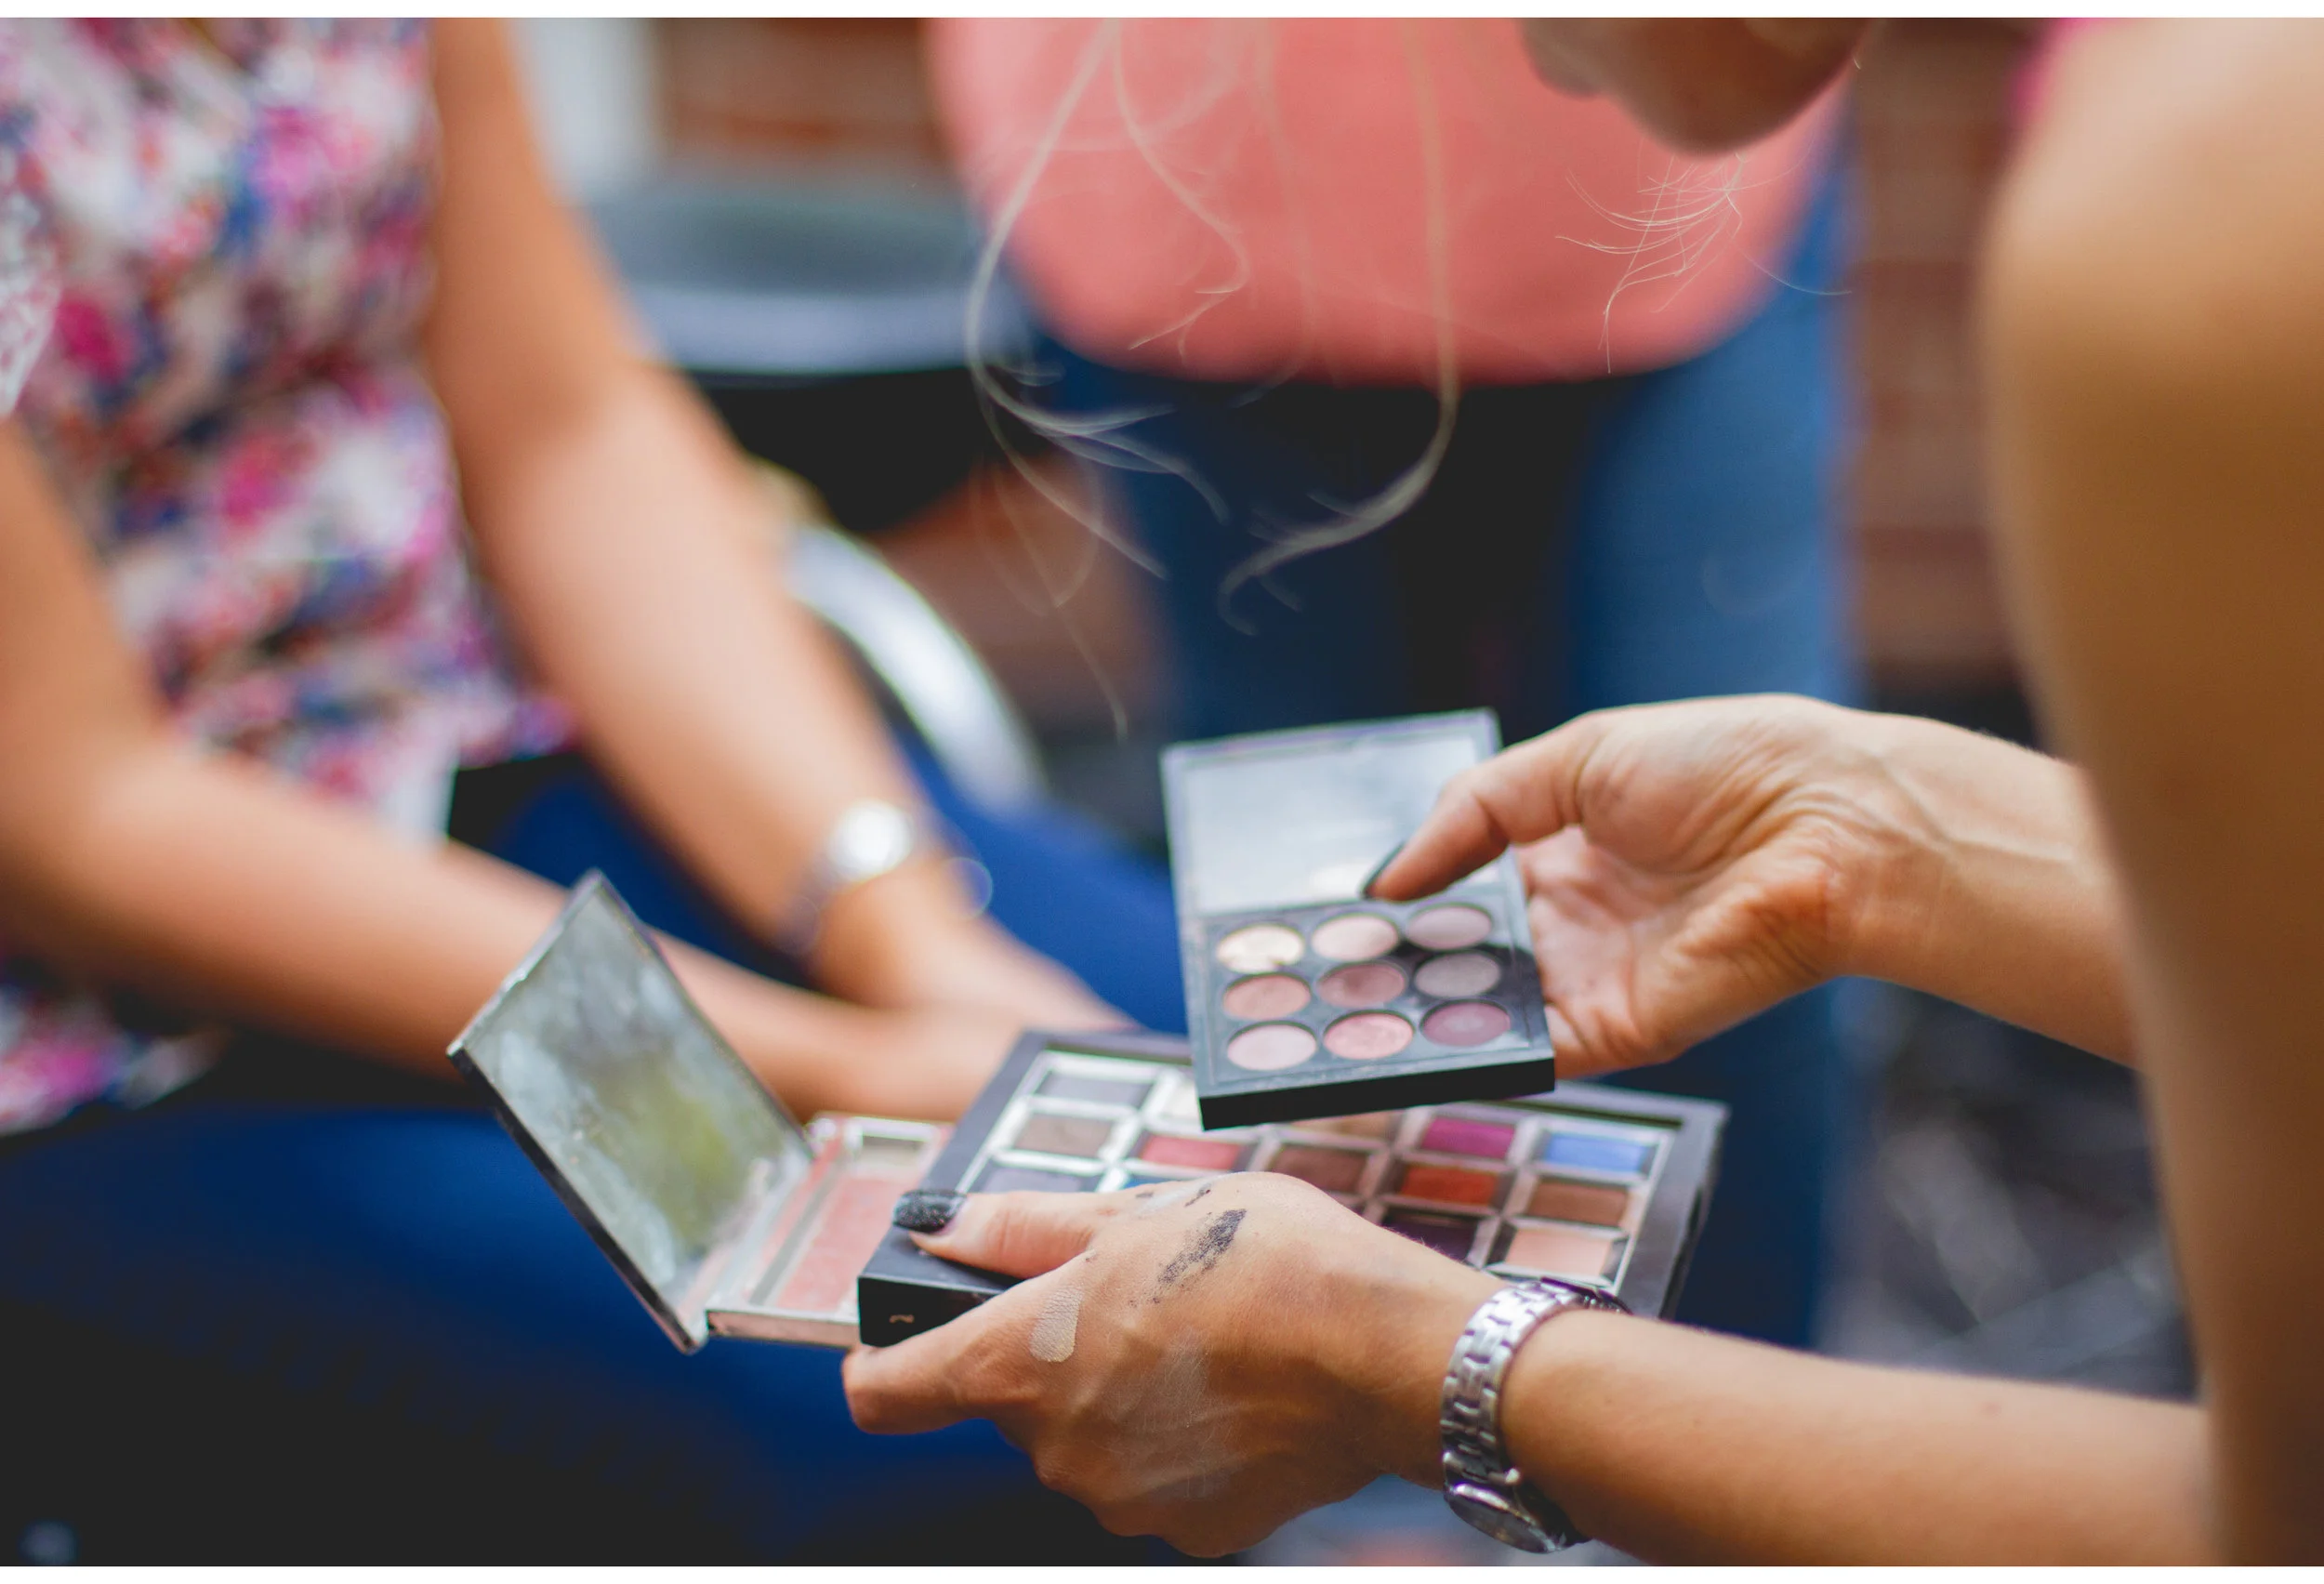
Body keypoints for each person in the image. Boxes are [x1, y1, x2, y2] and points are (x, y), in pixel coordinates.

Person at [841, 18, 2324, 1562]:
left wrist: (1439, 1370)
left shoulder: (2185, 225)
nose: (1528, 72)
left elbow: (2271, 1528)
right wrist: (1871, 848)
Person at [0, 19, 1176, 1560]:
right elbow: (75, 806)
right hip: (82, 1022)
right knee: (954, 1384)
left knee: (1216, 1050)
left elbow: (565, 430)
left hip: (451, 749)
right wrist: (841, 1067)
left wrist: (911, 939)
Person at [928, 17, 1860, 1347]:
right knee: (1326, 993)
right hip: (1193, 216)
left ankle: (1743, 1436)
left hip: (1681, 225)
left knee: (1745, 934)